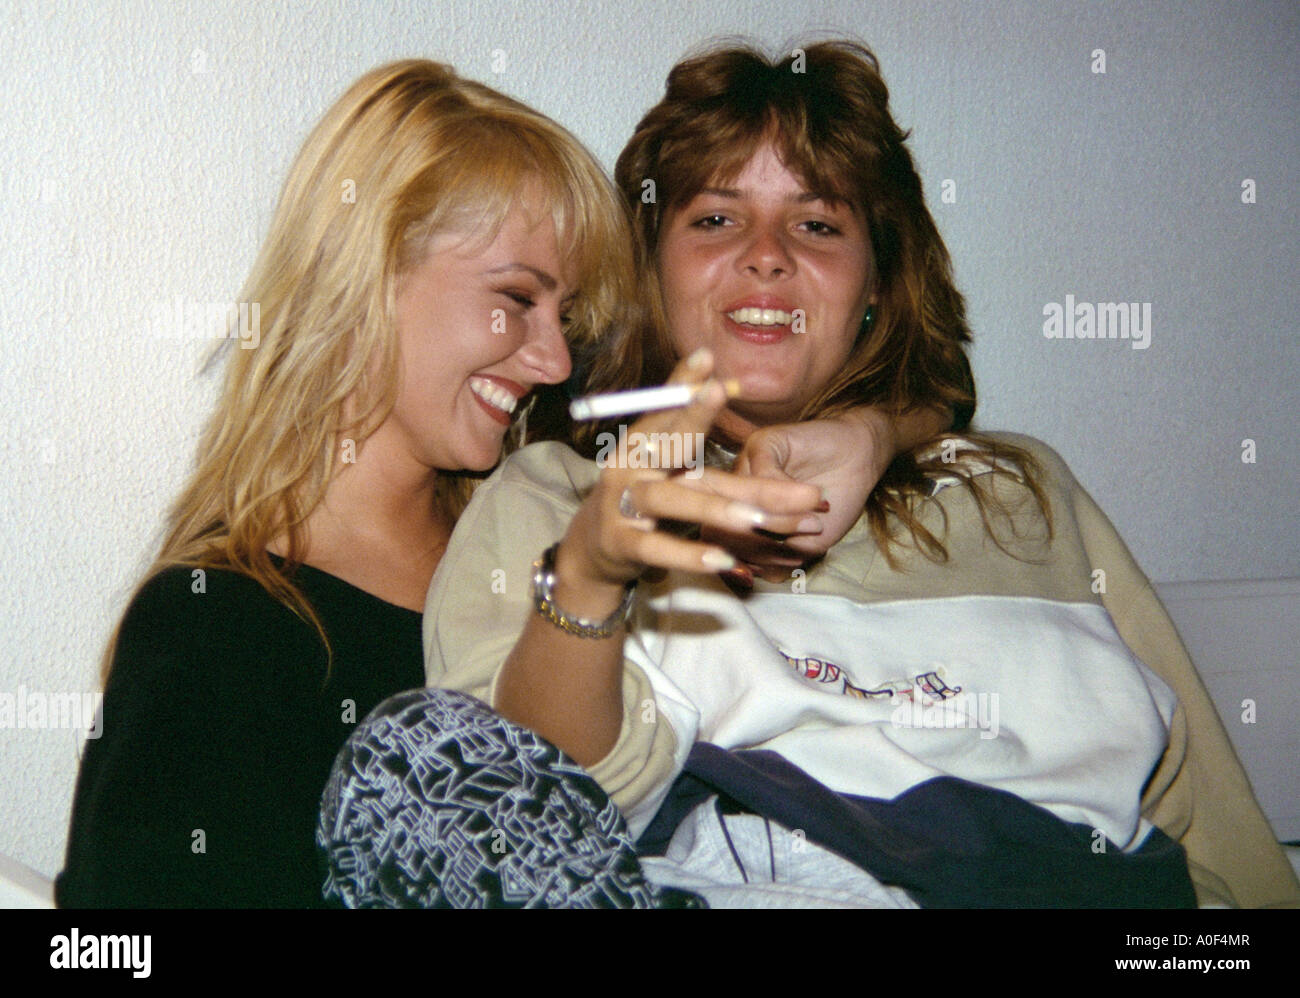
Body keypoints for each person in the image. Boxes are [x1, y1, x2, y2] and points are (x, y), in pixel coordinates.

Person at [335, 40, 1300, 909]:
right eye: (715, 218)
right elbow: (506, 834)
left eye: (819, 225)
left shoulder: (1021, 496)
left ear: (879, 285)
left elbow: (1217, 838)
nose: (765, 259)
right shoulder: (551, 497)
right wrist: (590, 574)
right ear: (652, 271)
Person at [55, 59, 641, 907]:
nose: (553, 360)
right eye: (516, 299)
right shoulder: (216, 628)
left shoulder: (544, 552)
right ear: (369, 271)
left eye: (566, 318)